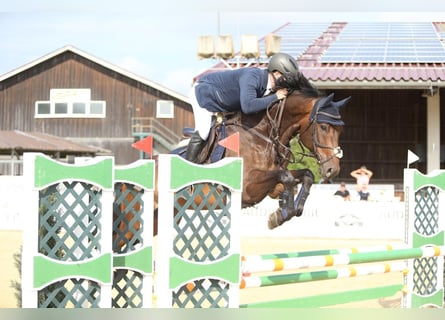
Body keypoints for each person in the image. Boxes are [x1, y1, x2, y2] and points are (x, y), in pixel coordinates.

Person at [185, 52, 299, 163]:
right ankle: (188, 167)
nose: (287, 83)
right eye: (286, 78)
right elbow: (248, 107)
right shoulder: (252, 77)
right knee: (204, 131)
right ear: (277, 73)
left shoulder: (268, 87)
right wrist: (275, 97)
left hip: (224, 103)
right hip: (204, 96)